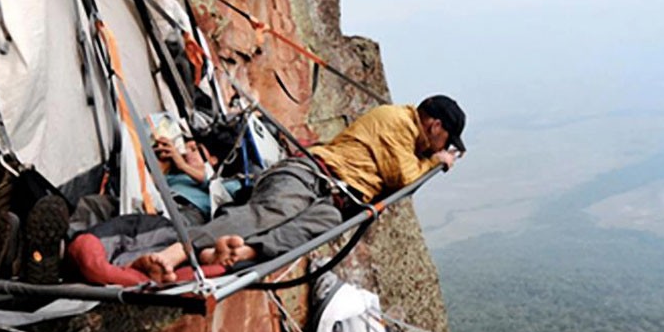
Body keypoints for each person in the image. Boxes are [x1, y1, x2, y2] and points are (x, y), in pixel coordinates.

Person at [131, 95, 466, 282]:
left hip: (335, 199)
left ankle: (238, 252)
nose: (442, 145)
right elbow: (403, 177)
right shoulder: (396, 121)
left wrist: (431, 158)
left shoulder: (411, 140)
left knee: (313, 231)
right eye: (444, 139)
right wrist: (436, 161)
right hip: (311, 173)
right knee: (270, 213)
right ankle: (174, 253)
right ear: (435, 125)